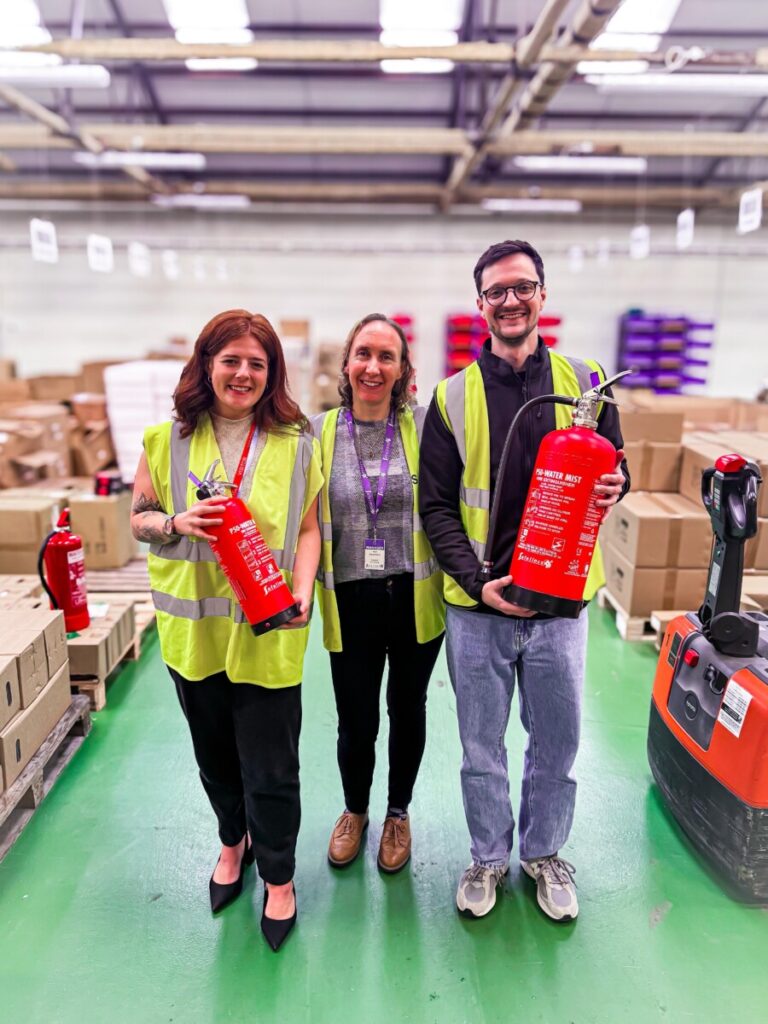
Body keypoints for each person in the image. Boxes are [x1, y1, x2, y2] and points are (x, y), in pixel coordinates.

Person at [419, 240, 629, 923]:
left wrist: (620, 485)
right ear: (480, 304)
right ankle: (486, 856)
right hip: (480, 608)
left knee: (558, 746)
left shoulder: (588, 380)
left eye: (523, 287)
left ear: (542, 294)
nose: (510, 300)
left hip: (561, 606)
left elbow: (615, 473)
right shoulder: (451, 396)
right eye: (496, 291)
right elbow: (436, 506)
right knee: (482, 749)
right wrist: (477, 582)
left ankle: (543, 854)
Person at [130, 309, 322, 952]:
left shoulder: (298, 442)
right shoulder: (165, 440)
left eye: (257, 364)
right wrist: (176, 523)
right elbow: (139, 518)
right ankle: (230, 842)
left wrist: (302, 589)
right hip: (195, 633)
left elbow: (308, 529)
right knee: (214, 758)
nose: (243, 374)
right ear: (207, 364)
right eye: (231, 360)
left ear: (272, 374)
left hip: (268, 630)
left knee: (272, 765)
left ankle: (279, 877)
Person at [312, 313, 445, 874]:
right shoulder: (316, 433)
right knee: (355, 716)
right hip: (350, 598)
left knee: (407, 709)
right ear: (347, 364)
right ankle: (355, 810)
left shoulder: (426, 430)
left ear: (401, 370)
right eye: (363, 353)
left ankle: (397, 812)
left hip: (414, 595)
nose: (373, 366)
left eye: (386, 357)